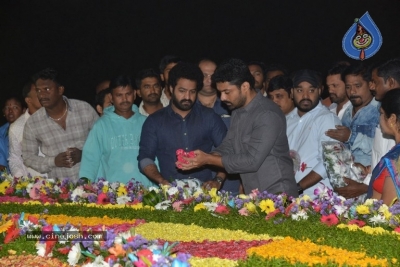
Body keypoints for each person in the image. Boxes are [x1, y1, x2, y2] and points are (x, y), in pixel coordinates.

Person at [177, 58, 298, 197]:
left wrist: (207, 160)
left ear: (245, 86)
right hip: (254, 194)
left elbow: (251, 161)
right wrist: (200, 157)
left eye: (227, 92)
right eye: (220, 92)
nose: (222, 98)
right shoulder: (238, 111)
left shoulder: (267, 113)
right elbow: (229, 145)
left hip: (278, 195)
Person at [138, 62, 227, 186]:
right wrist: (161, 181)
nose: (187, 97)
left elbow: (228, 152)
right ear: (170, 89)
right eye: (182, 91)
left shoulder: (209, 117)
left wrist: (218, 180)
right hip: (170, 193)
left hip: (205, 194)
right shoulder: (154, 121)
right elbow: (145, 158)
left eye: (192, 91)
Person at [22, 68, 98, 182]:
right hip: (61, 190)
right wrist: (53, 161)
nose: (42, 95)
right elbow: (28, 158)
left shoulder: (84, 109)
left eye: (47, 89)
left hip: (94, 182)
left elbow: (103, 142)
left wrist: (84, 154)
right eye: (38, 90)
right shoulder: (33, 123)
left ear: (60, 90)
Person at [80, 75, 154, 186]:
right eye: (119, 95)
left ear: (134, 94)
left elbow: (156, 158)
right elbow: (90, 160)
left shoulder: (147, 123)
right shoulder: (101, 126)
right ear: (111, 97)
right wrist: (84, 188)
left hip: (145, 192)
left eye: (128, 94)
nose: (124, 99)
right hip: (111, 195)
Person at [286, 69, 341, 198]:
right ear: (292, 92)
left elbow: (330, 161)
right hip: (290, 198)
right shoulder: (287, 120)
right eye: (300, 90)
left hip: (318, 200)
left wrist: (298, 188)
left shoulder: (327, 119)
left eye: (311, 90)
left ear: (320, 91)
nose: (305, 96)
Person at [198, 58, 239, 194]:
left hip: (229, 181)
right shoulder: (186, 107)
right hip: (196, 180)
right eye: (204, 75)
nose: (209, 80)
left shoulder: (231, 105)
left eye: (212, 75)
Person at [326, 63, 379, 167]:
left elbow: (384, 146)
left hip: (370, 177)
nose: (352, 91)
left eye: (357, 86)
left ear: (370, 85)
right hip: (348, 176)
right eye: (348, 87)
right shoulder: (346, 113)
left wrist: (351, 137)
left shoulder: (380, 111)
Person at [8, 81, 45, 177]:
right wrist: (22, 181)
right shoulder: (16, 127)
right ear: (28, 100)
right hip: (35, 187)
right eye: (38, 91)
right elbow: (15, 158)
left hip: (63, 185)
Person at [370, 88, 400, 205]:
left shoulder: (396, 159)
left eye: (381, 113)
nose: (380, 119)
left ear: (392, 119)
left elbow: (388, 211)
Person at [0, 96, 25, 172]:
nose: (10, 111)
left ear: (24, 111)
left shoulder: (30, 128)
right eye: (7, 108)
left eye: (15, 107)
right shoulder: (1, 132)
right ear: (3, 111)